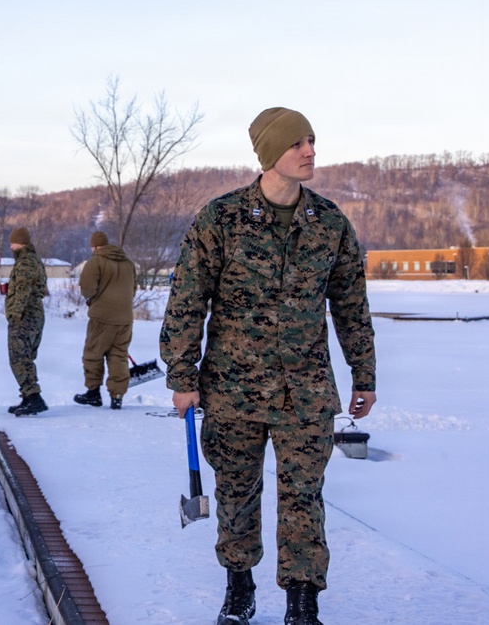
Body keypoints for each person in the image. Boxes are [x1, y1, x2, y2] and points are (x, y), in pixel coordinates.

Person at [159, 107, 376, 625]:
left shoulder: (329, 223)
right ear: (268, 154)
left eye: (312, 141)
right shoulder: (222, 218)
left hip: (306, 391)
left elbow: (351, 305)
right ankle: (239, 590)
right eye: (298, 143)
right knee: (236, 492)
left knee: (304, 498)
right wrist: (182, 377)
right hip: (234, 390)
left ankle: (303, 604)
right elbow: (187, 300)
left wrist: (364, 375)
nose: (310, 151)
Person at [73, 230, 137, 410]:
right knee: (119, 355)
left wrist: (94, 300)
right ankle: (117, 396)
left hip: (102, 317)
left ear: (93, 246)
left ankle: (93, 393)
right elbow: (133, 289)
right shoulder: (128, 263)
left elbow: (87, 289)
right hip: (125, 318)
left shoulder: (95, 262)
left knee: (93, 354)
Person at [4, 227, 49, 417]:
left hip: (25, 316)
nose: (11, 246)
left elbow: (22, 289)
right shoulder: (33, 260)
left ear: (20, 243)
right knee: (25, 356)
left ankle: (34, 397)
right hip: (33, 314)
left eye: (13, 243)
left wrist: (15, 313)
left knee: (19, 357)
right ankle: (28, 396)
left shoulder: (25, 262)